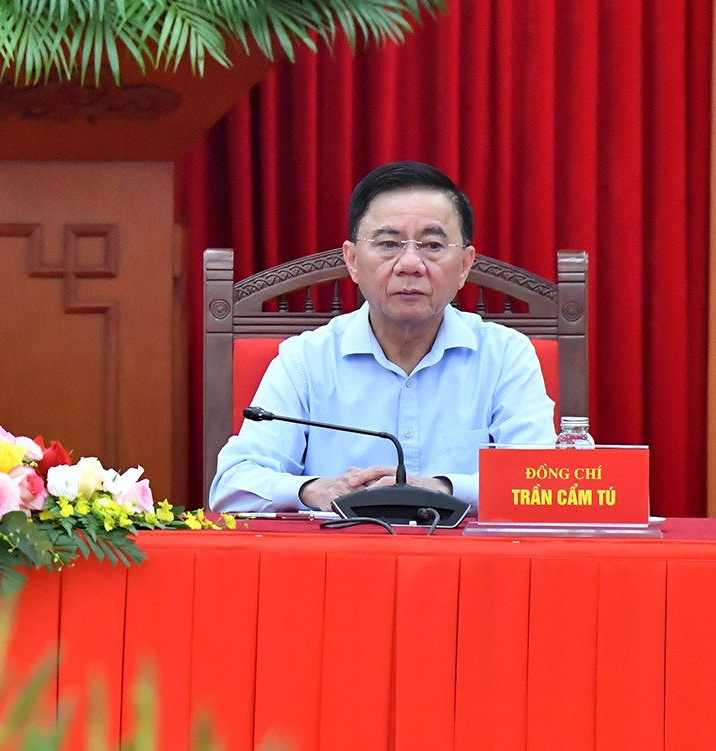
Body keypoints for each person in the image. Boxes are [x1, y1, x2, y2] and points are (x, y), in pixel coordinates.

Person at [210, 161, 556, 513]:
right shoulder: (305, 360)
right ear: (353, 260)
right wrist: (311, 490)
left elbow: (539, 487)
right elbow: (231, 487)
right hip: (337, 562)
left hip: (470, 565)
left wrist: (440, 488)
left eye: (433, 245)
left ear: (466, 265)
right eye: (389, 244)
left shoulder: (505, 356)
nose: (410, 264)